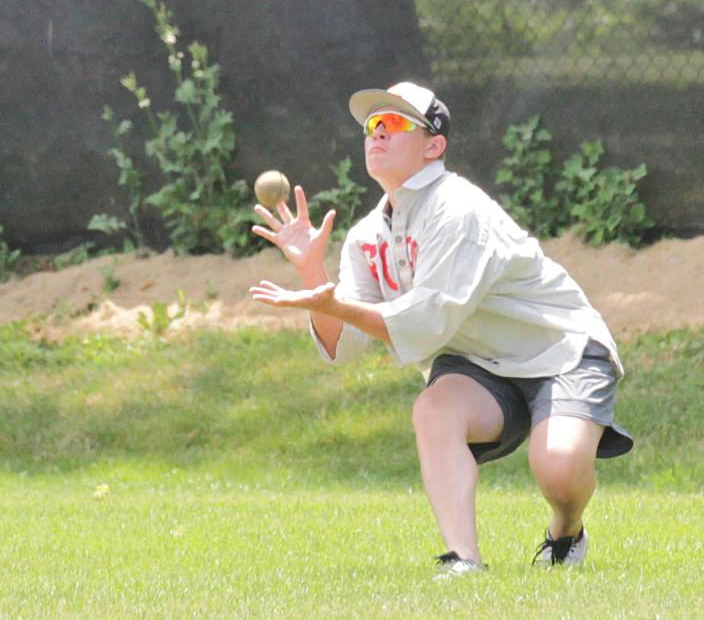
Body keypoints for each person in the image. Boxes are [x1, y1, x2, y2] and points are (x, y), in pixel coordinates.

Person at [249, 82, 632, 575]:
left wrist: (338, 305)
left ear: (434, 146)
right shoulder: (369, 234)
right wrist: (312, 275)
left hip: (560, 350)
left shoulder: (459, 210)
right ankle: (464, 560)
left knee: (558, 469)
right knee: (434, 410)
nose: (378, 132)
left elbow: (427, 325)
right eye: (373, 125)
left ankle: (566, 529)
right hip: (478, 362)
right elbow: (345, 350)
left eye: (396, 123)